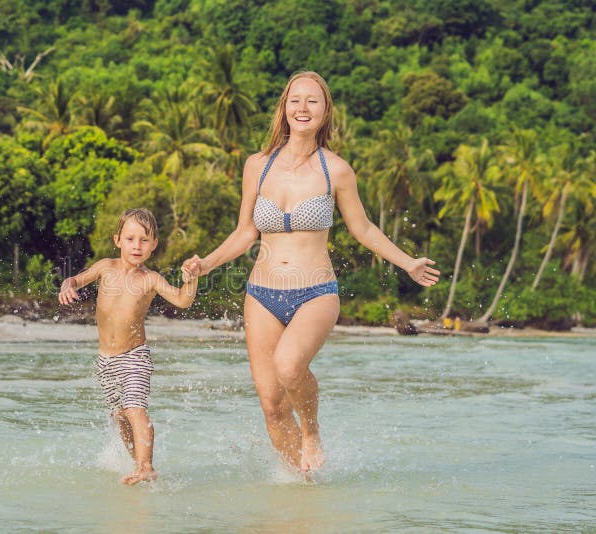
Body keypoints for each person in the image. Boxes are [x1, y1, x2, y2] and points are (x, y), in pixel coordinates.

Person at [182, 71, 440, 474]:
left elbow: (364, 228)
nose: (303, 108)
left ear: (325, 111)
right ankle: (300, 489)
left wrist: (408, 262)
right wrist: (206, 263)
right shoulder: (257, 166)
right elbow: (245, 232)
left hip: (315, 292)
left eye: (312, 101)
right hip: (261, 295)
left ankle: (312, 433)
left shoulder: (337, 170)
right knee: (270, 403)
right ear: (284, 109)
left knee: (289, 366)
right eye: (295, 100)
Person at [59, 208, 199, 485]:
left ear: (154, 245)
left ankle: (146, 467)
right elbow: (75, 279)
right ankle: (138, 465)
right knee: (120, 416)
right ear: (117, 240)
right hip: (105, 360)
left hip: (135, 355)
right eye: (131, 239)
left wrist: (191, 280)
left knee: (135, 409)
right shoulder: (104, 267)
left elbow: (183, 301)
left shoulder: (151, 279)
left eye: (144, 240)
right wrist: (66, 285)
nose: (137, 246)